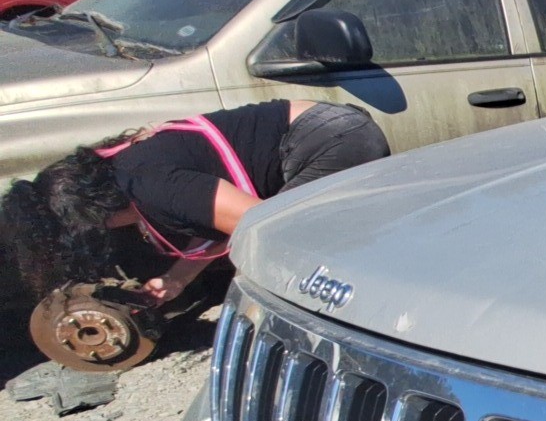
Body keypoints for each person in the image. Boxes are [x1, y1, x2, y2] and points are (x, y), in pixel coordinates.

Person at [2, 100, 388, 305]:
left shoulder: (151, 185)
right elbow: (221, 222)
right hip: (325, 132)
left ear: (96, 212)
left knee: (296, 258)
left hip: (331, 141)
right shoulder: (129, 168)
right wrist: (175, 281)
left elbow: (262, 223)